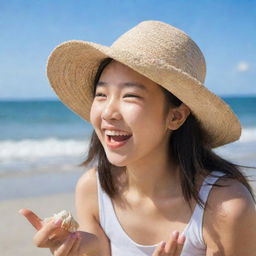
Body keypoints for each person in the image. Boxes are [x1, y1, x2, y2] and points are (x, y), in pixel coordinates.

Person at [19, 20, 256, 256]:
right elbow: (101, 249)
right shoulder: (93, 188)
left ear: (175, 117)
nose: (108, 112)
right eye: (101, 94)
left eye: (130, 96)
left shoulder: (226, 207)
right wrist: (76, 247)